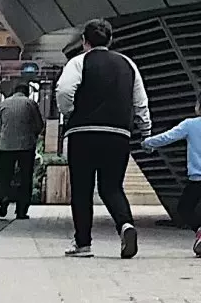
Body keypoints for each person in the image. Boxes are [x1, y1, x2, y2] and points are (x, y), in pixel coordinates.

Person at [56, 18, 150, 259]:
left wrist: (70, 112)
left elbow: (64, 90)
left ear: (84, 41)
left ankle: (83, 244)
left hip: (83, 134)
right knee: (111, 186)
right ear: (110, 40)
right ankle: (125, 225)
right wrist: (145, 129)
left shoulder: (79, 62)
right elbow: (140, 101)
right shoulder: (128, 64)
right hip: (118, 134)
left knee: (82, 189)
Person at [142, 96, 201, 257]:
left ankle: (199, 230)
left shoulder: (190, 124)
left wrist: (147, 143)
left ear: (198, 106)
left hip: (197, 179)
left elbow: (168, 137)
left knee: (184, 208)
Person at [0, 80, 45, 220]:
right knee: (25, 178)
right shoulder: (30, 104)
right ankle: (21, 210)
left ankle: (4, 196)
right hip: (26, 146)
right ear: (27, 92)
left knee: (4, 175)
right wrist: (33, 135)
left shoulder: (4, 104)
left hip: (5, 145)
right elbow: (39, 125)